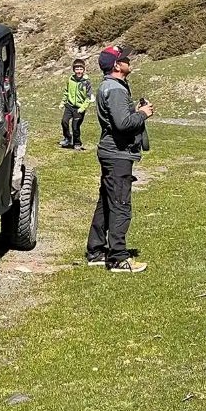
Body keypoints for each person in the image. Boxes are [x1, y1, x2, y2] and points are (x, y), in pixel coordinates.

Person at [85, 44, 153, 274]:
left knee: (106, 201)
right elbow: (122, 124)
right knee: (121, 204)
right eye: (125, 58)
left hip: (112, 152)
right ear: (116, 65)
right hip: (117, 154)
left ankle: (95, 251)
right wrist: (143, 114)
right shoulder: (115, 89)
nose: (129, 60)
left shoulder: (111, 86)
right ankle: (118, 258)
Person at [59, 58, 93, 150]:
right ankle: (67, 138)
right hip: (69, 105)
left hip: (79, 108)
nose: (79, 71)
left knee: (75, 126)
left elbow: (89, 97)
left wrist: (82, 108)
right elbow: (66, 91)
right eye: (77, 69)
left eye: (81, 69)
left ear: (84, 70)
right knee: (64, 121)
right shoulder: (71, 79)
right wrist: (63, 102)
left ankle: (77, 142)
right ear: (74, 70)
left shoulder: (86, 82)